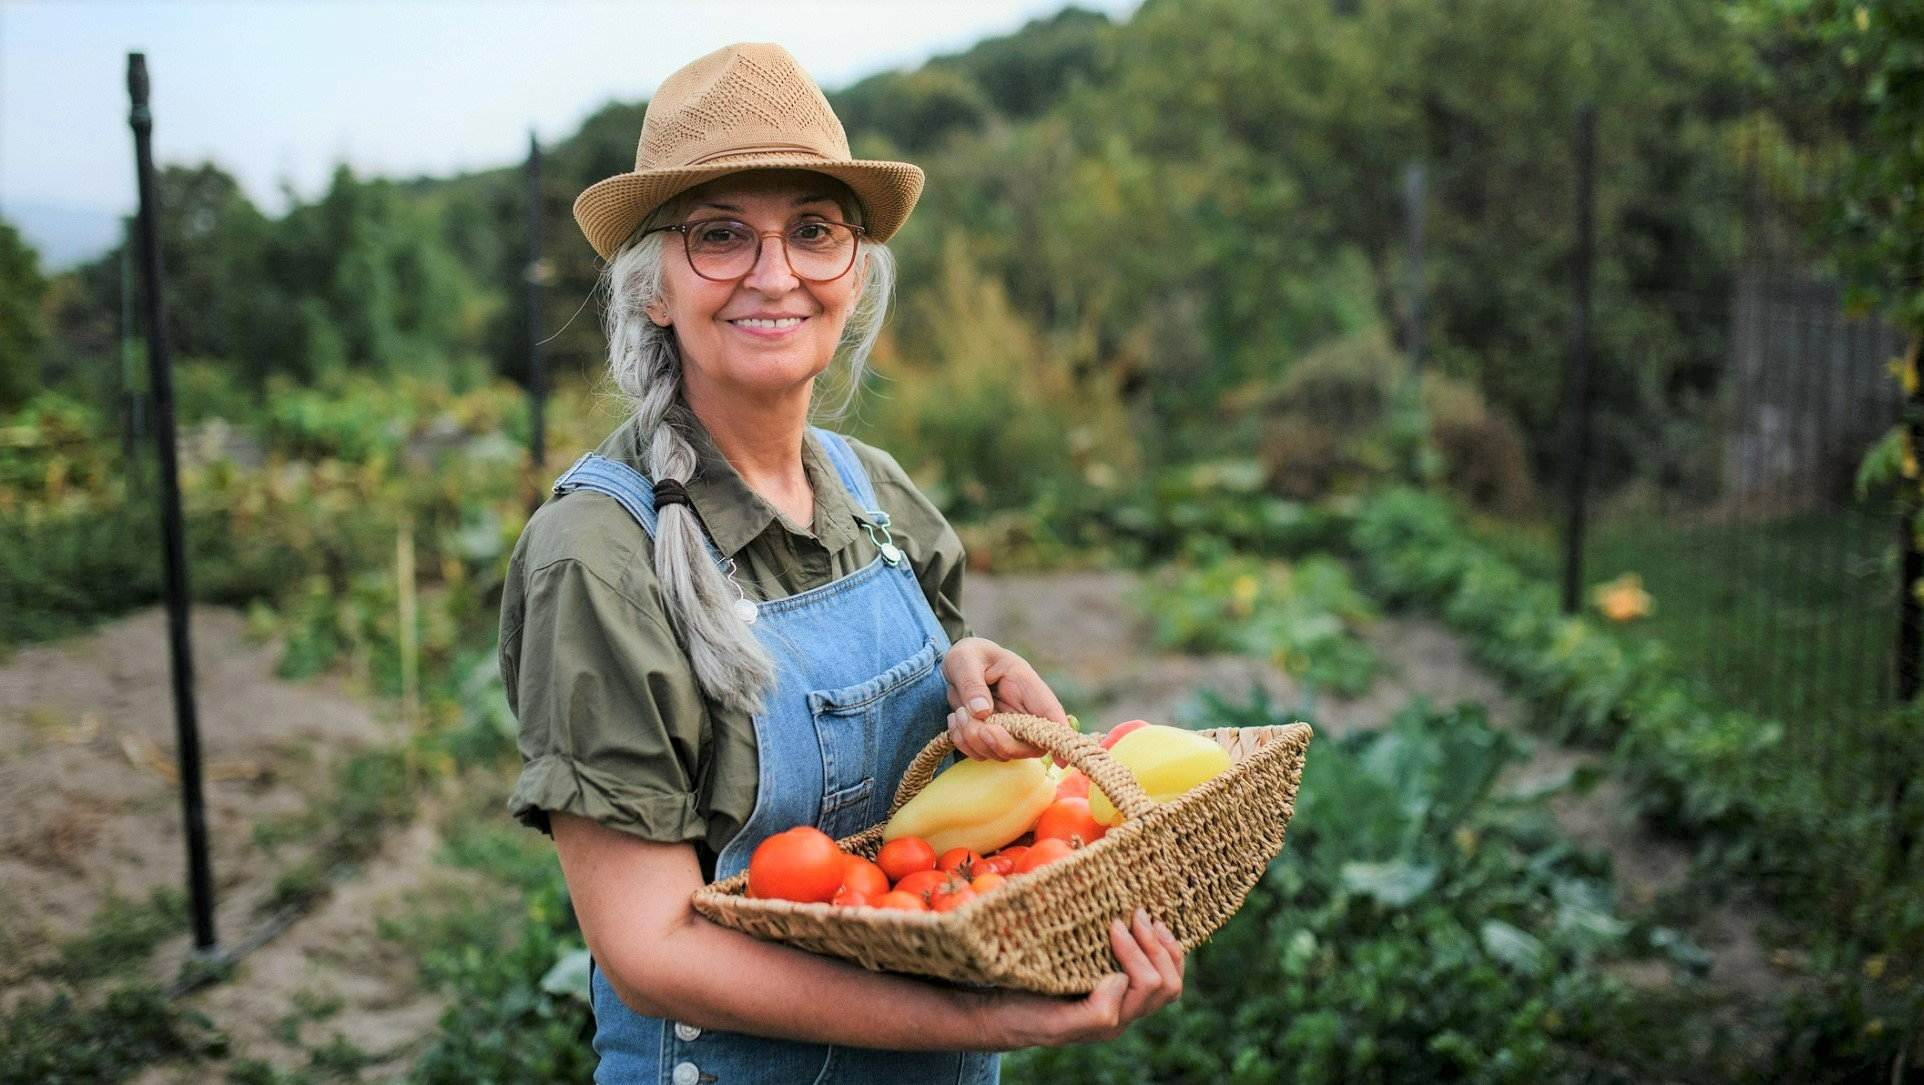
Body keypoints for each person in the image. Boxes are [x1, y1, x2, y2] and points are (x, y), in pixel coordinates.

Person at [498, 42, 1185, 1083]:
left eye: (812, 231)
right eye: (718, 235)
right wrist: (993, 1016)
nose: (774, 275)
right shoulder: (597, 554)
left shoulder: (877, 495)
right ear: (651, 288)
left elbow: (934, 835)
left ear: (852, 272)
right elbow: (649, 952)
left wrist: (976, 692)